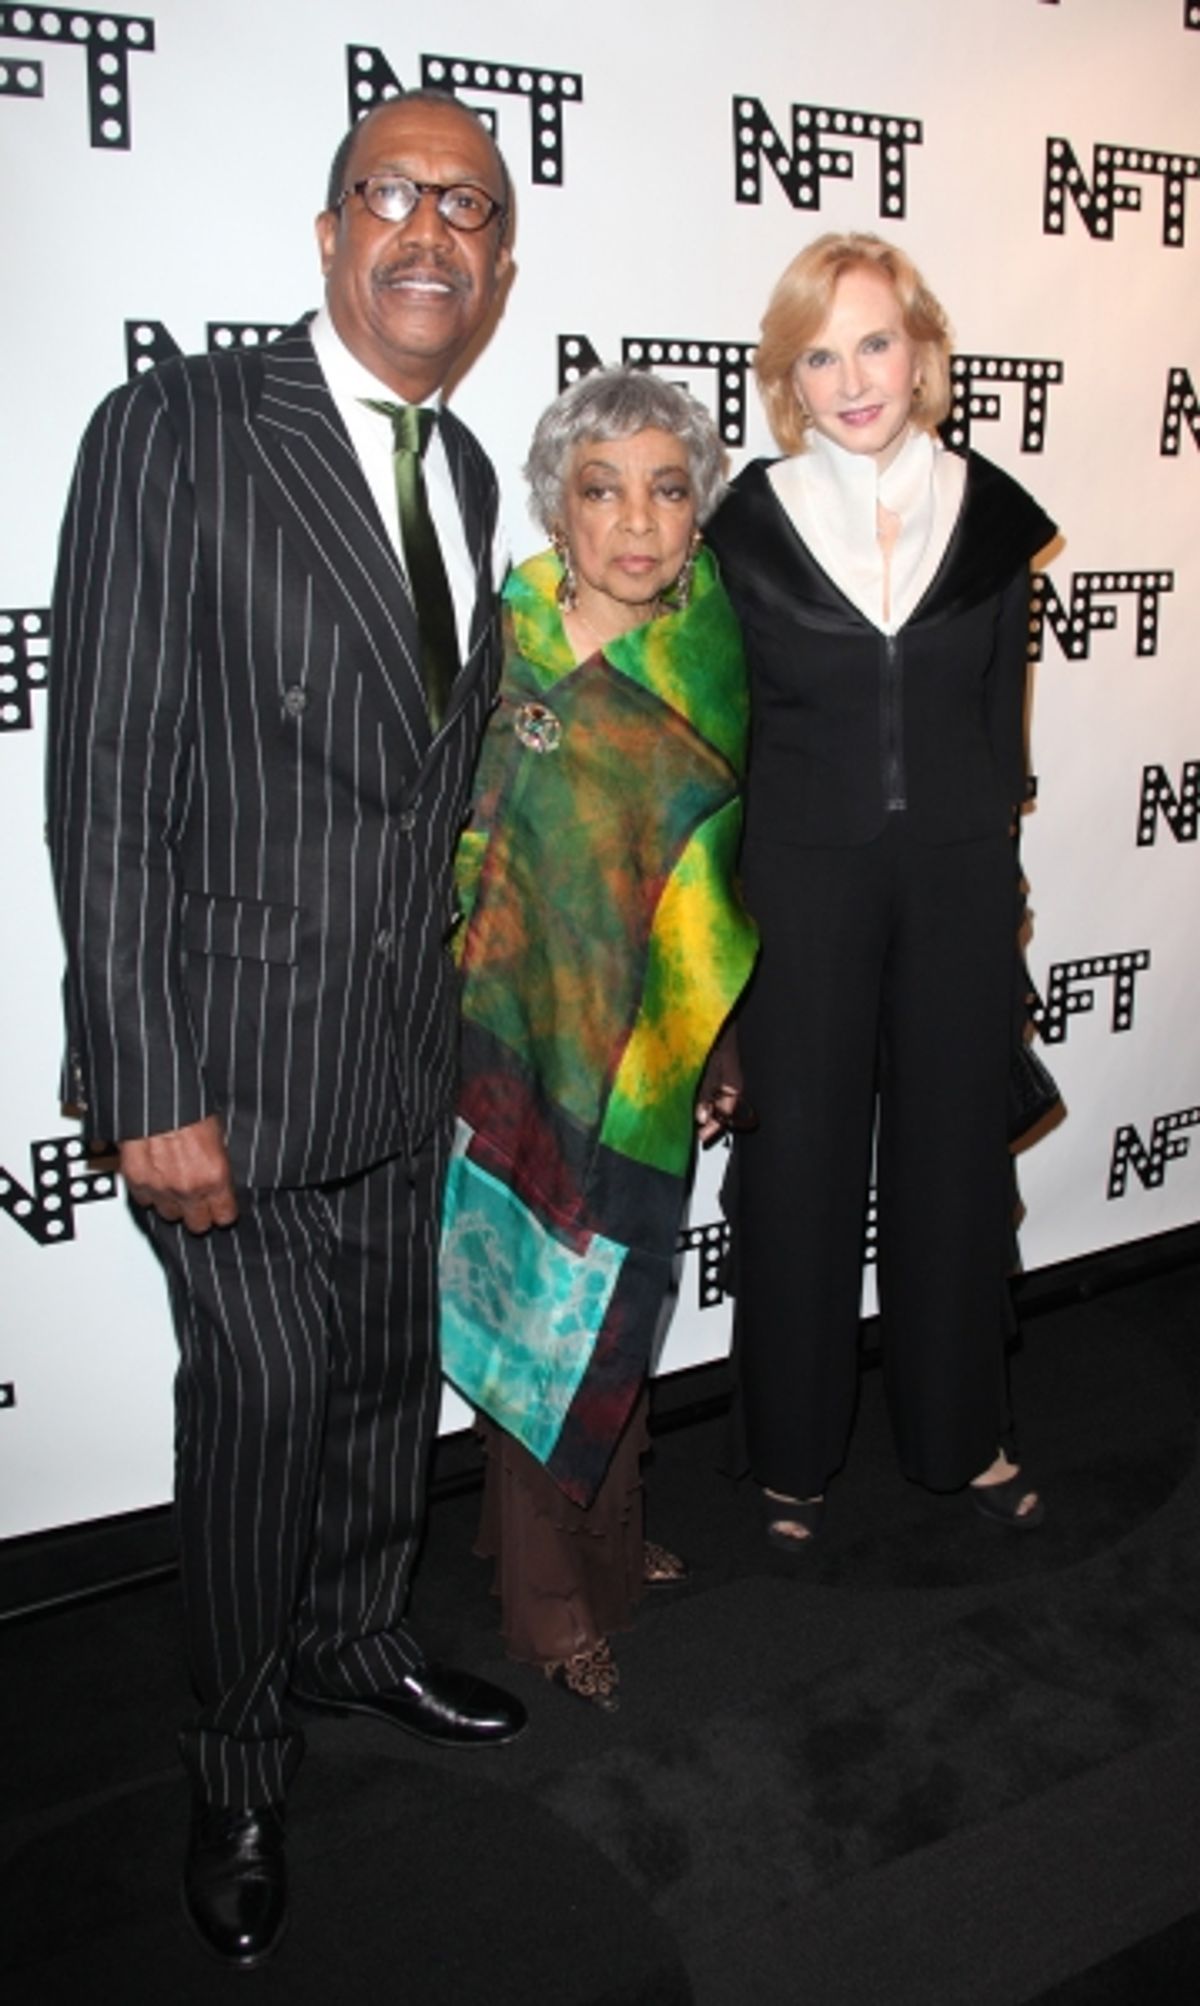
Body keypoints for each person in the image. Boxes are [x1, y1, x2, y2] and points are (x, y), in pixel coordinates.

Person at [46, 91, 525, 1970]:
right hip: (223, 1077)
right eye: (394, 196)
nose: (432, 232)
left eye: (469, 207)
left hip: (399, 1062)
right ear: (330, 234)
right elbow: (110, 787)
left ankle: (349, 1637)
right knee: (252, 1415)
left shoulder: (472, 472)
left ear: (497, 261)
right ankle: (235, 1759)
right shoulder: (176, 427)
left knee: (370, 1397)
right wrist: (144, 1078)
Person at [705, 234, 1055, 1549]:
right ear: (788, 376)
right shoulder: (746, 522)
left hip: (961, 874)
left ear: (920, 350)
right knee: (798, 1158)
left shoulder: (997, 513)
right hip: (798, 880)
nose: (852, 377)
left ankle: (959, 1432)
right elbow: (722, 732)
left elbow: (998, 725)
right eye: (818, 352)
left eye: (873, 342)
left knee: (951, 1156)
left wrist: (1003, 888)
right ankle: (792, 1449)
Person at [439, 367, 758, 1708]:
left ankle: (611, 1554)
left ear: (699, 514)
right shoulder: (495, 641)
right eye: (603, 488)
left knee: (618, 1302)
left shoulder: (710, 655)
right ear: (555, 509)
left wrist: (716, 1043)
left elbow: (712, 875)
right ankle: (547, 1603)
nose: (638, 520)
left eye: (668, 489)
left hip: (645, 1061)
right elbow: (450, 841)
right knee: (532, 1317)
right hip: (505, 1042)